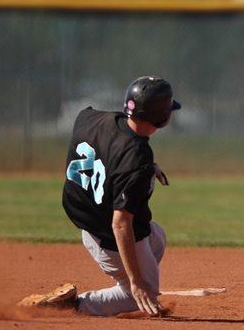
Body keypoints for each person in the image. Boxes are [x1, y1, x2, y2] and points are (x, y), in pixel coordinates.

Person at [17, 76, 181, 316]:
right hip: (111, 238)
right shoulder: (137, 159)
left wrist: (142, 168)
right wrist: (136, 282)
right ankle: (72, 306)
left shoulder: (91, 118)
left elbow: (112, 146)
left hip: (89, 221)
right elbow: (121, 225)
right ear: (161, 118)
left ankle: (130, 282)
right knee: (141, 295)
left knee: (156, 238)